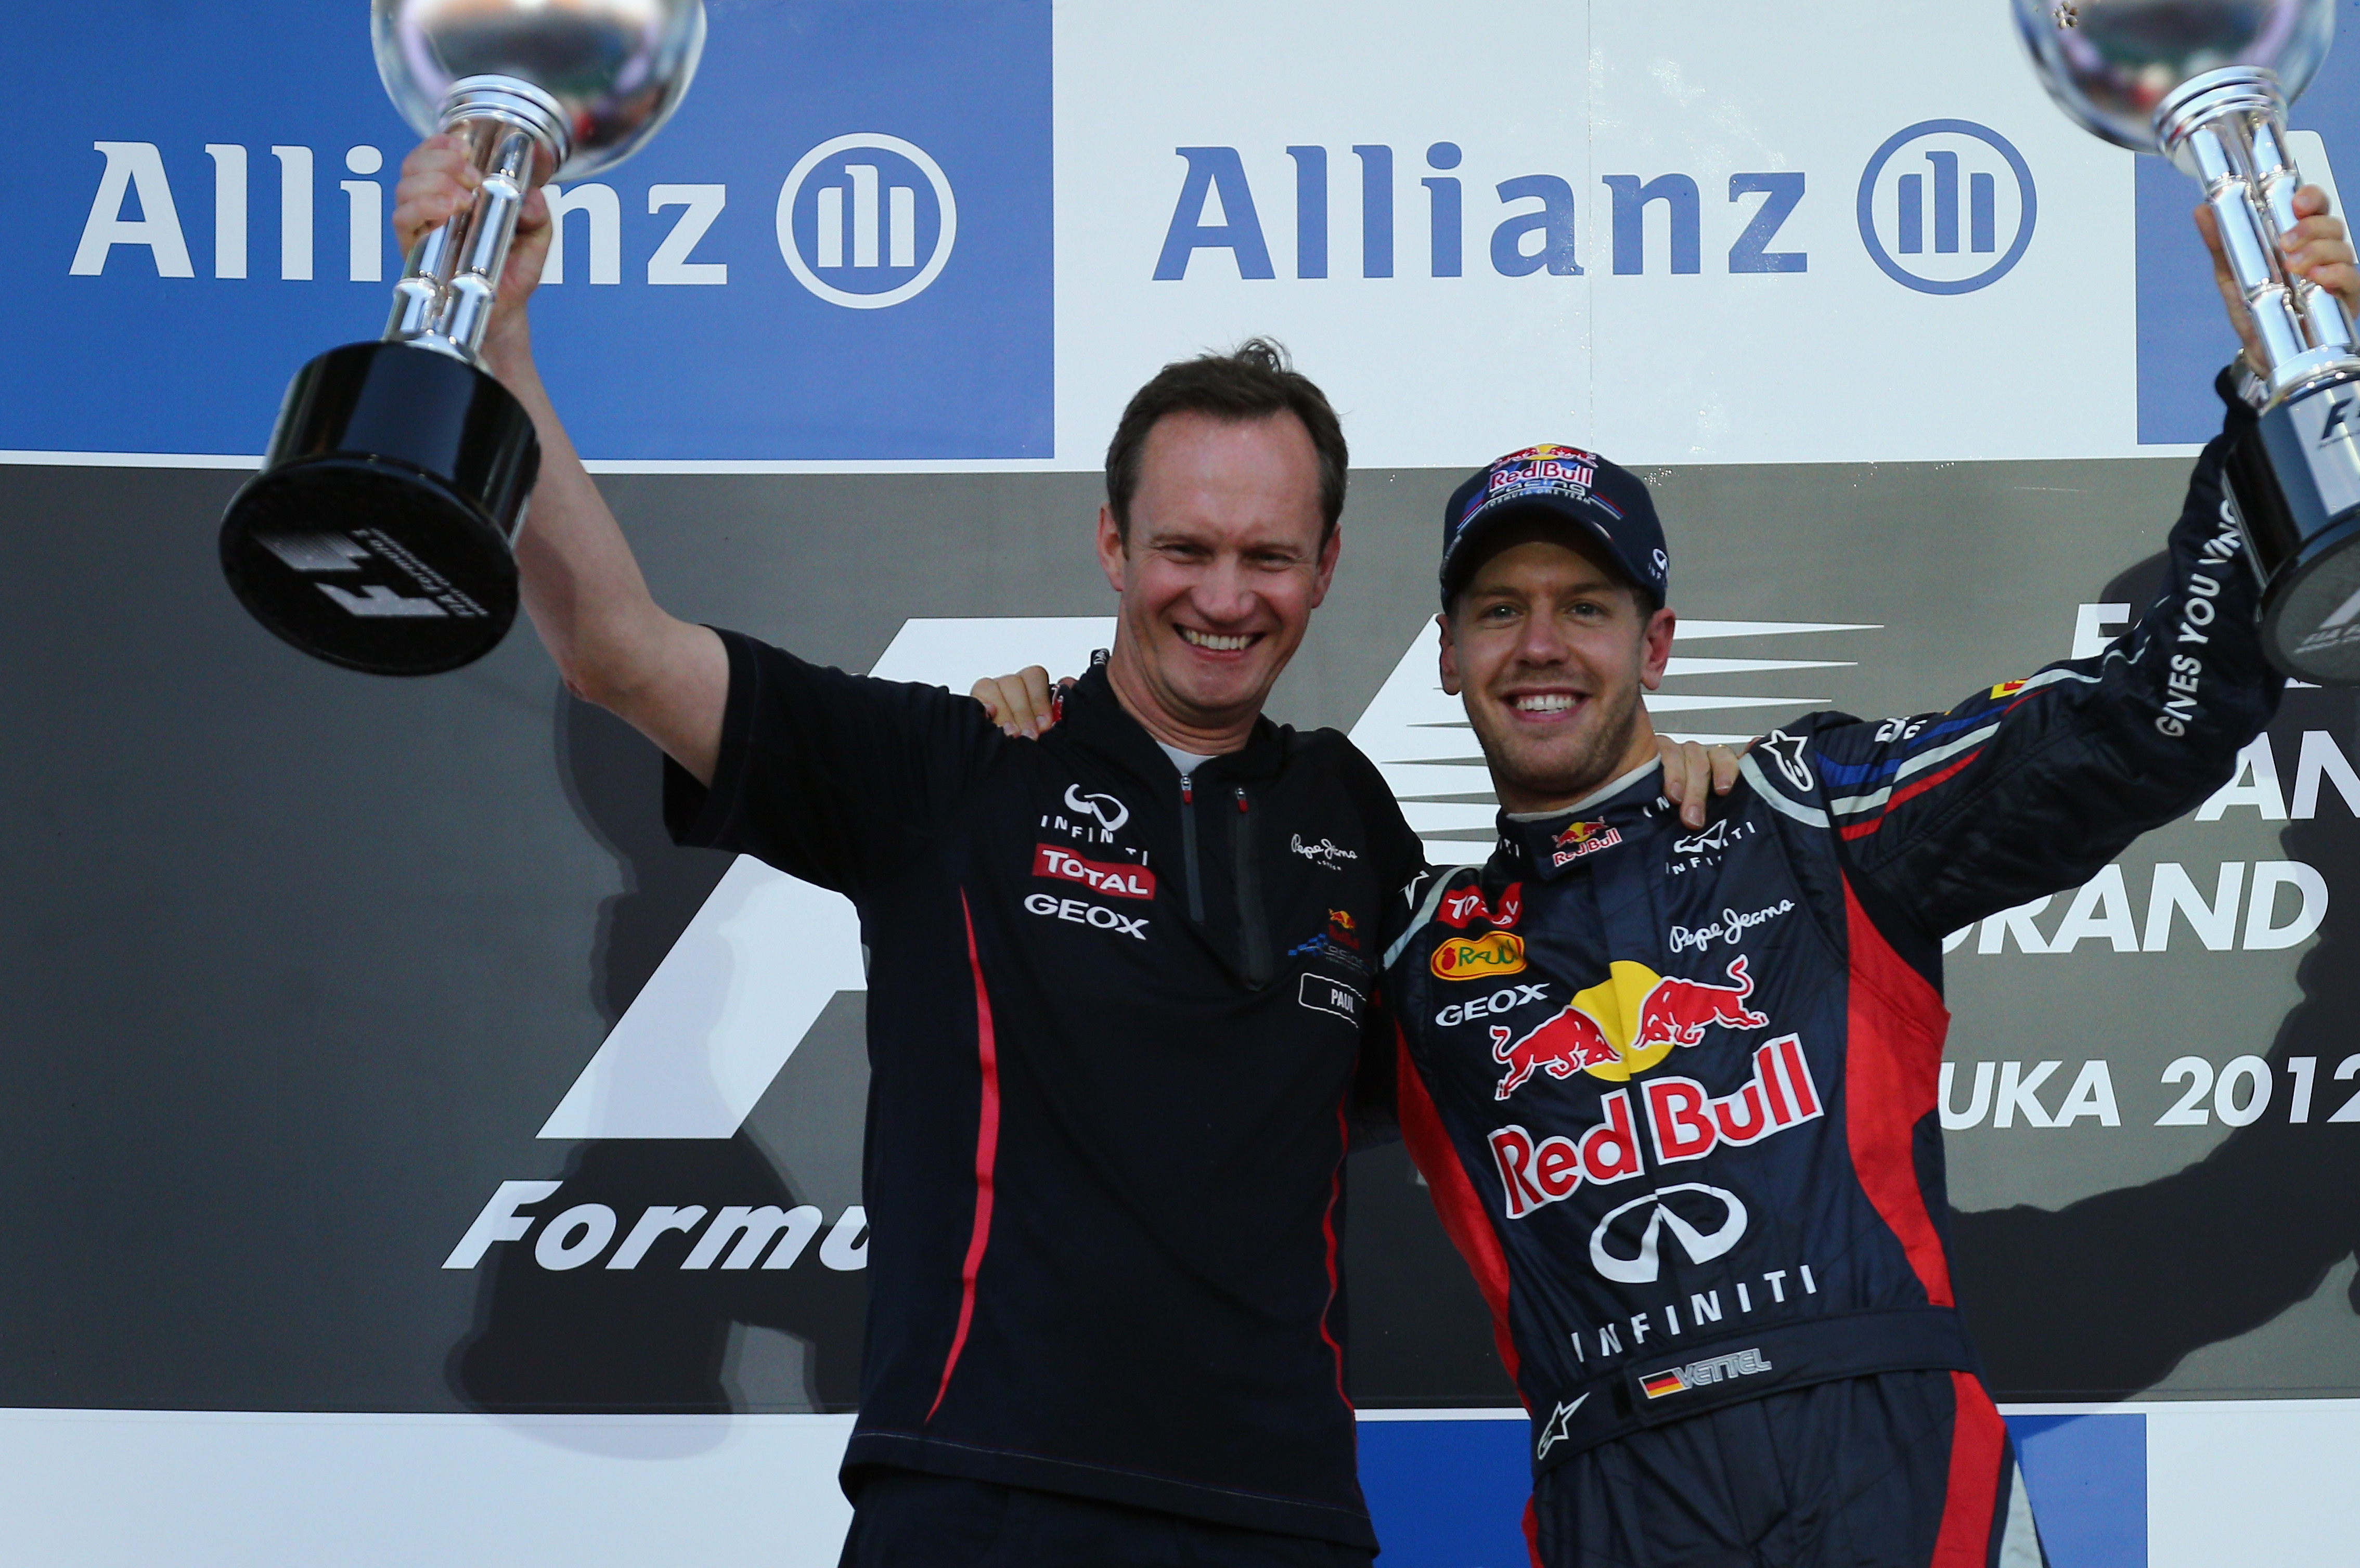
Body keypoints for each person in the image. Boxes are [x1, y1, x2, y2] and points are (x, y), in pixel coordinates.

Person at [389, 137, 1731, 1568]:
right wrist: (501, 339)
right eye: (1186, 549)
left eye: (1268, 557)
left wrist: (1661, 800)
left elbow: (1512, 1020)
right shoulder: (959, 767)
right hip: (982, 1502)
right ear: (1111, 543)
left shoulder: (1347, 813)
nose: (1225, 597)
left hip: (1280, 1520)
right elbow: (616, 651)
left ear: (1327, 568)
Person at [983, 187, 2359, 1565]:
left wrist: (2268, 394)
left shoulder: (1810, 814)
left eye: (1585, 607)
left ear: (1656, 643)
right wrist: (1066, 744)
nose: (1541, 646)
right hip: (1615, 1492)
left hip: (1885, 1461)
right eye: (1500, 611)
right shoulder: (1412, 961)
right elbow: (1180, 1068)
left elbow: (2144, 722)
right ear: (1448, 655)